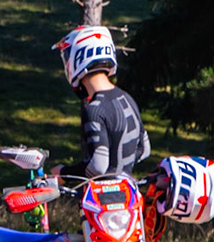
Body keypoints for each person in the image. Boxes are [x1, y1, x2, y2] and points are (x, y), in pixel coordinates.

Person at [54, 25, 151, 178]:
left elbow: (98, 166)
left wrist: (63, 174)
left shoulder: (94, 109)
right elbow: (144, 149)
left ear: (79, 56)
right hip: (130, 194)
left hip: (104, 199)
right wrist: (120, 169)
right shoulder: (126, 98)